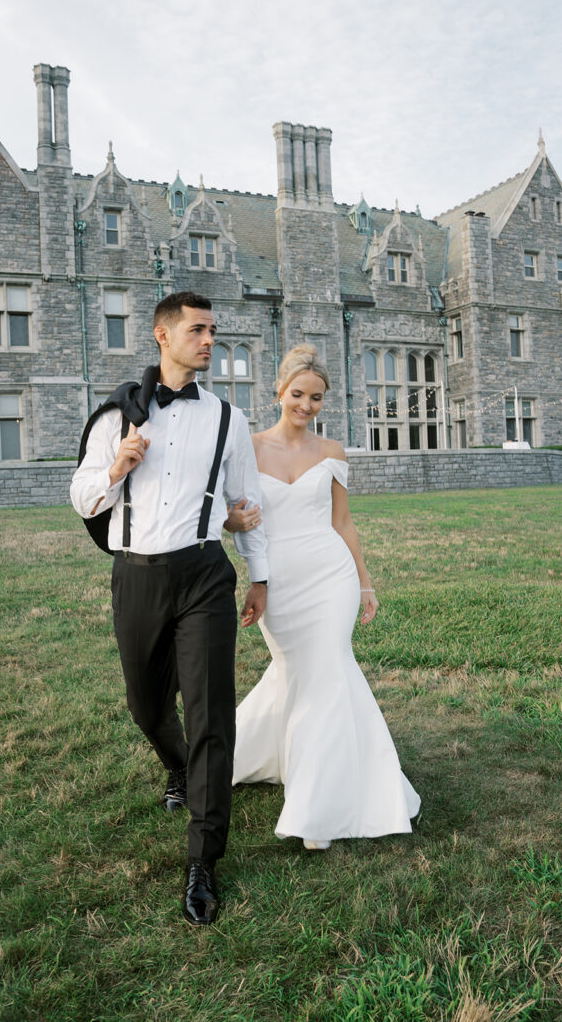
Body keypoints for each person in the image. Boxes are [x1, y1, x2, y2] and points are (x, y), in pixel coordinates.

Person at [70, 291, 268, 926]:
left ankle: (204, 860)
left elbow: (247, 504)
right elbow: (81, 499)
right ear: (161, 335)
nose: (210, 340)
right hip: (138, 578)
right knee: (146, 706)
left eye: (214, 330)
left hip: (206, 574)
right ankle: (178, 767)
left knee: (211, 714)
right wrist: (117, 467)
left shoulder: (228, 419)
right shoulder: (117, 417)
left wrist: (258, 574)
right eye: (197, 330)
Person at [228, 344, 420, 850]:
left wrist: (363, 581)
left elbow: (343, 522)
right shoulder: (246, 448)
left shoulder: (332, 452)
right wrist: (255, 579)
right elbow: (239, 520)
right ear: (279, 391)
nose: (306, 406)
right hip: (279, 580)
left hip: (329, 573)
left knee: (331, 671)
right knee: (296, 673)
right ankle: (249, 752)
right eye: (298, 395)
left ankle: (317, 809)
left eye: (316, 398)